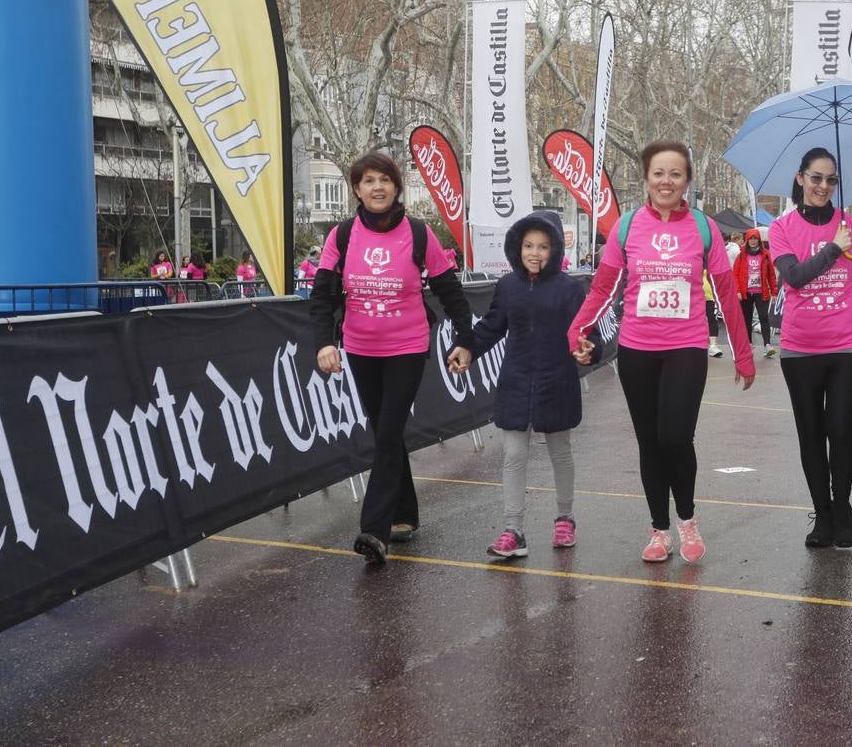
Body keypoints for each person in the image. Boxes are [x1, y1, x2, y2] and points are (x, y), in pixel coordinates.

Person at [568, 140, 755, 564]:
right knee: (650, 442)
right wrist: (578, 330)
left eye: (675, 173)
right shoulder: (628, 227)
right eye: (658, 173)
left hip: (686, 347)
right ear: (646, 178)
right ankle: (659, 530)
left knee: (675, 436)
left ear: (686, 180)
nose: (666, 181)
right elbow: (604, 287)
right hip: (637, 350)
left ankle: (687, 520)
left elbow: (726, 294)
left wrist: (742, 354)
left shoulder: (704, 228)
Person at [309, 152, 474, 565]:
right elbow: (322, 297)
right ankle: (405, 513)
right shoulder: (341, 236)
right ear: (356, 190)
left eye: (384, 179)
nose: (377, 187)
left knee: (386, 433)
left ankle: (374, 529)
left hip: (408, 346)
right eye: (368, 181)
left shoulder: (419, 235)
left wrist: (467, 341)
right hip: (360, 348)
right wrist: (324, 342)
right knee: (387, 431)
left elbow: (450, 292)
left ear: (397, 186)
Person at [769, 147, 852, 549]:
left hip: (847, 343)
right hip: (799, 347)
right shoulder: (783, 228)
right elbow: (794, 277)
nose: (823, 186)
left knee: (840, 428)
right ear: (800, 178)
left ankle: (842, 508)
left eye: (830, 180)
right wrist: (832, 249)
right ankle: (821, 516)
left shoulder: (851, 226)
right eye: (816, 178)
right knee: (811, 433)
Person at [470, 211, 600, 559]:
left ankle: (565, 518)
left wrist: (588, 349)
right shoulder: (508, 286)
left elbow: (589, 335)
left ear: (555, 249)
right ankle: (514, 529)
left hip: (556, 382)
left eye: (543, 246)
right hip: (515, 382)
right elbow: (492, 325)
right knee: (514, 455)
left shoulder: (571, 290)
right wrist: (466, 348)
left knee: (560, 452)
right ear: (517, 247)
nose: (535, 252)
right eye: (528, 245)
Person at [732, 227, 779, 358]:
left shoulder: (765, 255)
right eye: (750, 239)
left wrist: (774, 292)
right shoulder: (741, 255)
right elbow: (735, 275)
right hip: (745, 293)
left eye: (755, 239)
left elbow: (771, 275)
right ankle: (748, 345)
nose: (753, 241)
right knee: (746, 319)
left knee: (764, 317)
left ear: (759, 240)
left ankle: (767, 345)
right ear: (747, 240)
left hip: (761, 292)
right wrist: (738, 291)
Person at [703, 271, 723, 358]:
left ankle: (713, 346)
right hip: (694, 295)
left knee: (712, 318)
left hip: (710, 296)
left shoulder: (710, 261)